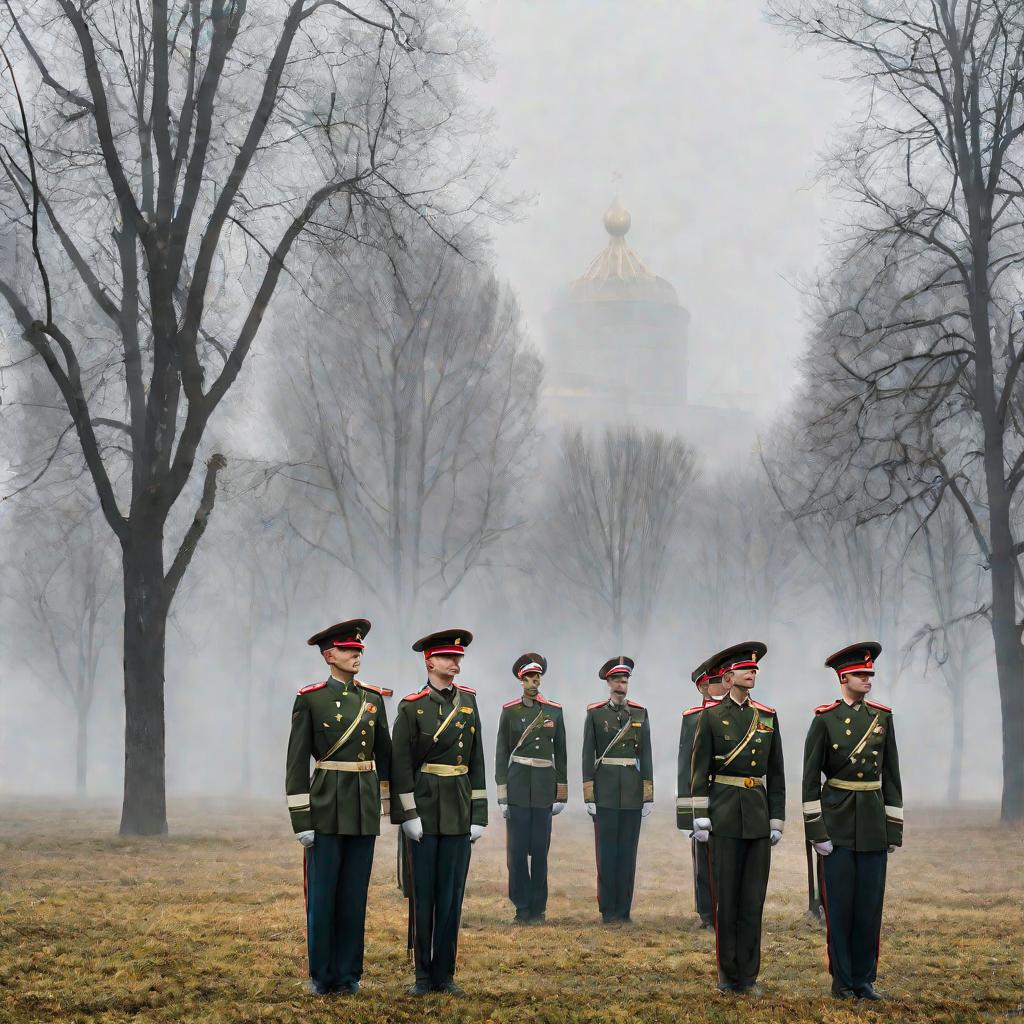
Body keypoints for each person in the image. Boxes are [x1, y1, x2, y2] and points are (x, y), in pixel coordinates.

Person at [285, 618, 393, 995]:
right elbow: (297, 762)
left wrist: (391, 807)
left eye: (359, 650)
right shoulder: (311, 698)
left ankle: (349, 974)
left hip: (363, 806)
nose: (356, 655)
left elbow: (386, 760)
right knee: (323, 895)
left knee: (353, 896)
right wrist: (301, 819)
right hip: (327, 804)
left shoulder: (374, 699)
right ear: (329, 655)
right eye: (348, 650)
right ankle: (322, 974)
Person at [802, 642, 903, 1001]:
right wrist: (817, 830)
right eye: (861, 674)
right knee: (840, 907)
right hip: (838, 822)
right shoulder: (824, 720)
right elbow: (810, 778)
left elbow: (891, 776)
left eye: (870, 674)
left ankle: (864, 979)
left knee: (869, 906)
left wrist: (893, 827)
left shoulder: (882, 717)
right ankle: (842, 980)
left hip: (873, 822)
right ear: (843, 677)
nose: (868, 679)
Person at [390, 629, 488, 995]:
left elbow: (476, 759)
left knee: (452, 895)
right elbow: (400, 766)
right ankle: (422, 975)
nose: (455, 663)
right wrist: (409, 815)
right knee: (424, 894)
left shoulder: (469, 702)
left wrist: (479, 813)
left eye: (458, 657)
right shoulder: (411, 706)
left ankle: (445, 973)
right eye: (448, 657)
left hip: (459, 808)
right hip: (426, 808)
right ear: (429, 661)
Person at [691, 642, 784, 995]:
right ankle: (728, 975)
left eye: (755, 669)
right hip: (725, 815)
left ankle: (749, 974)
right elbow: (698, 771)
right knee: (726, 901)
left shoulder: (768, 717)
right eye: (746, 669)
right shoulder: (711, 716)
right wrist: (700, 815)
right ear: (729, 677)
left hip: (757, 818)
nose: (752, 673)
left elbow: (776, 774)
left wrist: (776, 819)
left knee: (752, 900)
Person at [495, 652, 568, 923]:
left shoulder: (554, 711)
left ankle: (538, 908)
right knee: (516, 853)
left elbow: (561, 754)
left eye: (537, 677)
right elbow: (502, 754)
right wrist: (502, 794)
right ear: (520, 680)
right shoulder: (510, 711)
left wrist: (561, 793)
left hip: (542, 790)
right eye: (529, 678)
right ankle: (521, 906)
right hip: (517, 788)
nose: (534, 682)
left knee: (540, 852)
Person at [581, 656, 654, 924]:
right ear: (608, 683)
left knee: (627, 854)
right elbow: (588, 754)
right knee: (606, 854)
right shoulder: (595, 713)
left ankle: (624, 910)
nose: (622, 685)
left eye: (625, 680)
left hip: (632, 793)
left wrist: (648, 795)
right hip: (606, 792)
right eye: (617, 680)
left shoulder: (639, 713)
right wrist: (589, 794)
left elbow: (645, 756)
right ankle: (607, 909)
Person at [677, 658, 728, 928]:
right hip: (703, 796)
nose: (724, 685)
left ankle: (727, 911)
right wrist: (688, 813)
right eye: (718, 682)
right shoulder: (693, 718)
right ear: (704, 687)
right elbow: (686, 765)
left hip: (729, 795)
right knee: (703, 858)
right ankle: (707, 912)